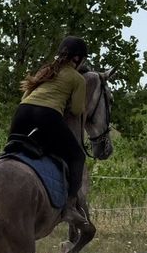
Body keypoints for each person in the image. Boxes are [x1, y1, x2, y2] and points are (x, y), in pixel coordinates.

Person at [8, 35, 88, 224]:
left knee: (11, 151)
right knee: (78, 156)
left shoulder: (46, 70)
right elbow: (77, 110)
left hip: (23, 112)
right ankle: (69, 207)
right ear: (77, 59)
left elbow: (25, 95)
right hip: (48, 115)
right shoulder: (77, 79)